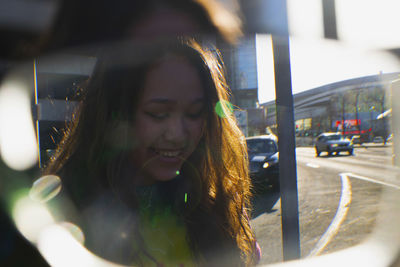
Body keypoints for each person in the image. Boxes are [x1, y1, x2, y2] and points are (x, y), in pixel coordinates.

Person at [44, 38, 259, 266]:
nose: (177, 134)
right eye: (158, 113)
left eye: (194, 113)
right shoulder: (59, 215)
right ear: (114, 114)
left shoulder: (215, 206)